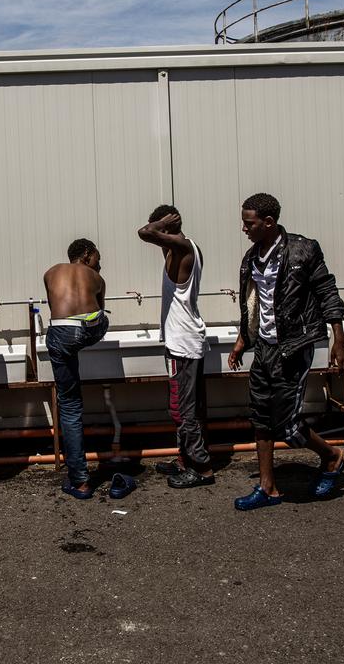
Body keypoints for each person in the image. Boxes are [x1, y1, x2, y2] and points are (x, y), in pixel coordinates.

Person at [227, 193, 344, 509]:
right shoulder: (251, 258)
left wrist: (339, 339)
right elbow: (254, 305)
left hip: (294, 346)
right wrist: (243, 340)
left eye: (249, 223)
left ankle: (333, 457)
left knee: (288, 425)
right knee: (260, 417)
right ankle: (268, 488)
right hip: (265, 349)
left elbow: (327, 293)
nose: (244, 229)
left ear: (268, 222)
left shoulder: (303, 249)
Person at [138, 205, 214, 488]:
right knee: (179, 407)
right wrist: (161, 226)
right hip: (180, 340)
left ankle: (202, 468)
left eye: (159, 226)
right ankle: (185, 459)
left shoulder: (183, 247)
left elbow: (144, 233)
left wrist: (157, 224)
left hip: (184, 342)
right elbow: (152, 236)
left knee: (186, 409)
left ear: (167, 226)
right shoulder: (176, 249)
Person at [43, 239, 109, 498]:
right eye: (97, 259)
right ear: (87, 254)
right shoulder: (97, 278)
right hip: (90, 329)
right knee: (102, 319)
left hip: (62, 333)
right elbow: (100, 309)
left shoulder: (50, 273)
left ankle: (80, 482)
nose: (99, 265)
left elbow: (57, 309)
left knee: (70, 407)